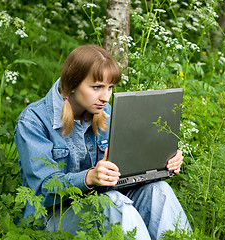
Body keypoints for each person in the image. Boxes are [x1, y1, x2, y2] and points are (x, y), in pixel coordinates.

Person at [14, 44, 191, 239]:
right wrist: (89, 177)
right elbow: (42, 189)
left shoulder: (105, 113)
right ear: (73, 84)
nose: (105, 97)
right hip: (50, 217)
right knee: (112, 203)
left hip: (102, 203)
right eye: (97, 87)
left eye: (110, 88)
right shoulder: (33, 121)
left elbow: (126, 169)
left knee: (159, 192)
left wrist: (163, 161)